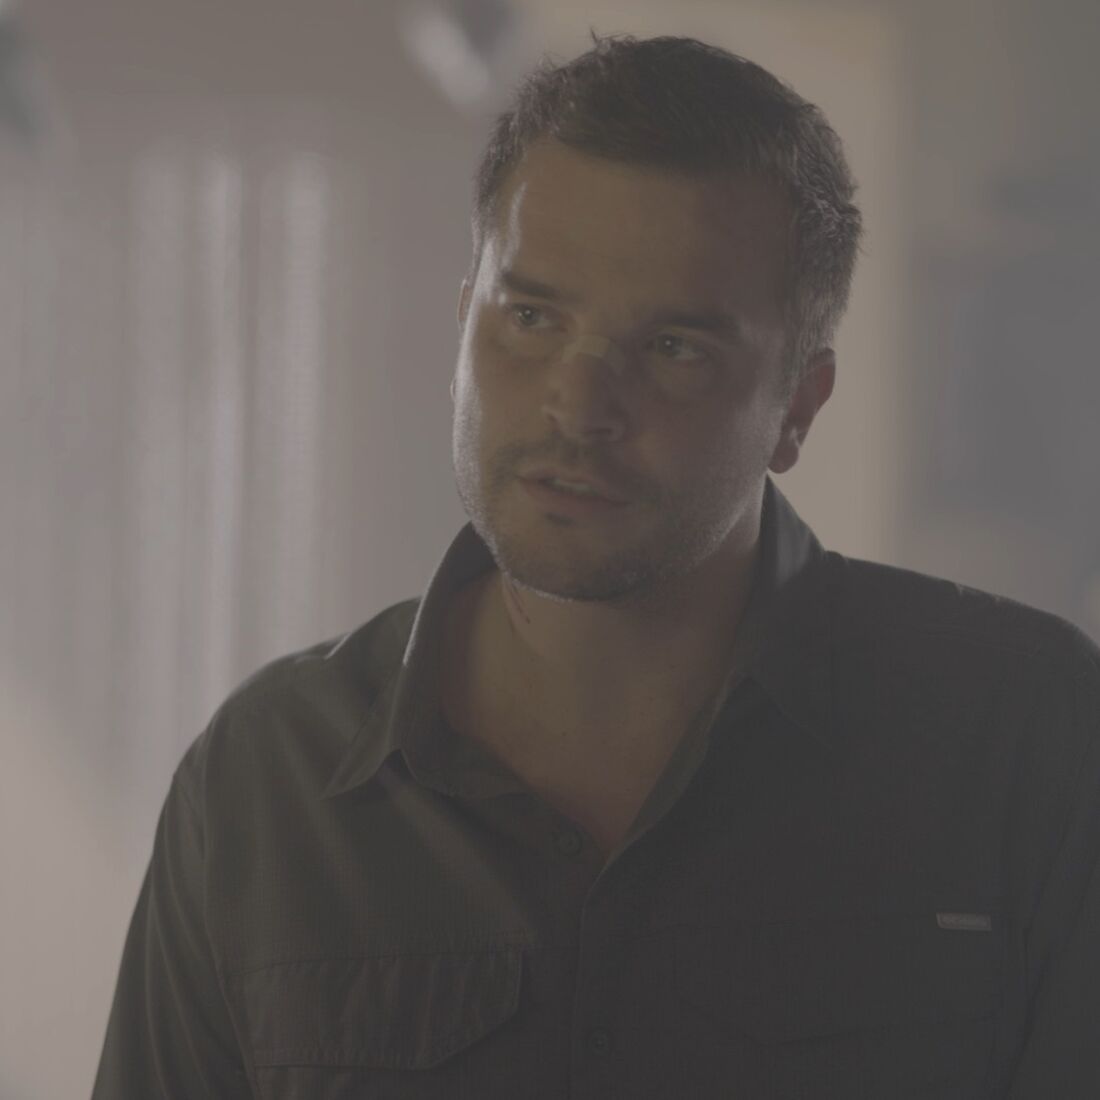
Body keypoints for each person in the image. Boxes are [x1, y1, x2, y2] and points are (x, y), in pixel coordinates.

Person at [92, 34, 1099, 1099]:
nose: (576, 405)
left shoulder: (1026, 737)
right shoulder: (266, 782)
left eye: (672, 347)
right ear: (463, 325)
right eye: (530, 317)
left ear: (797, 407)